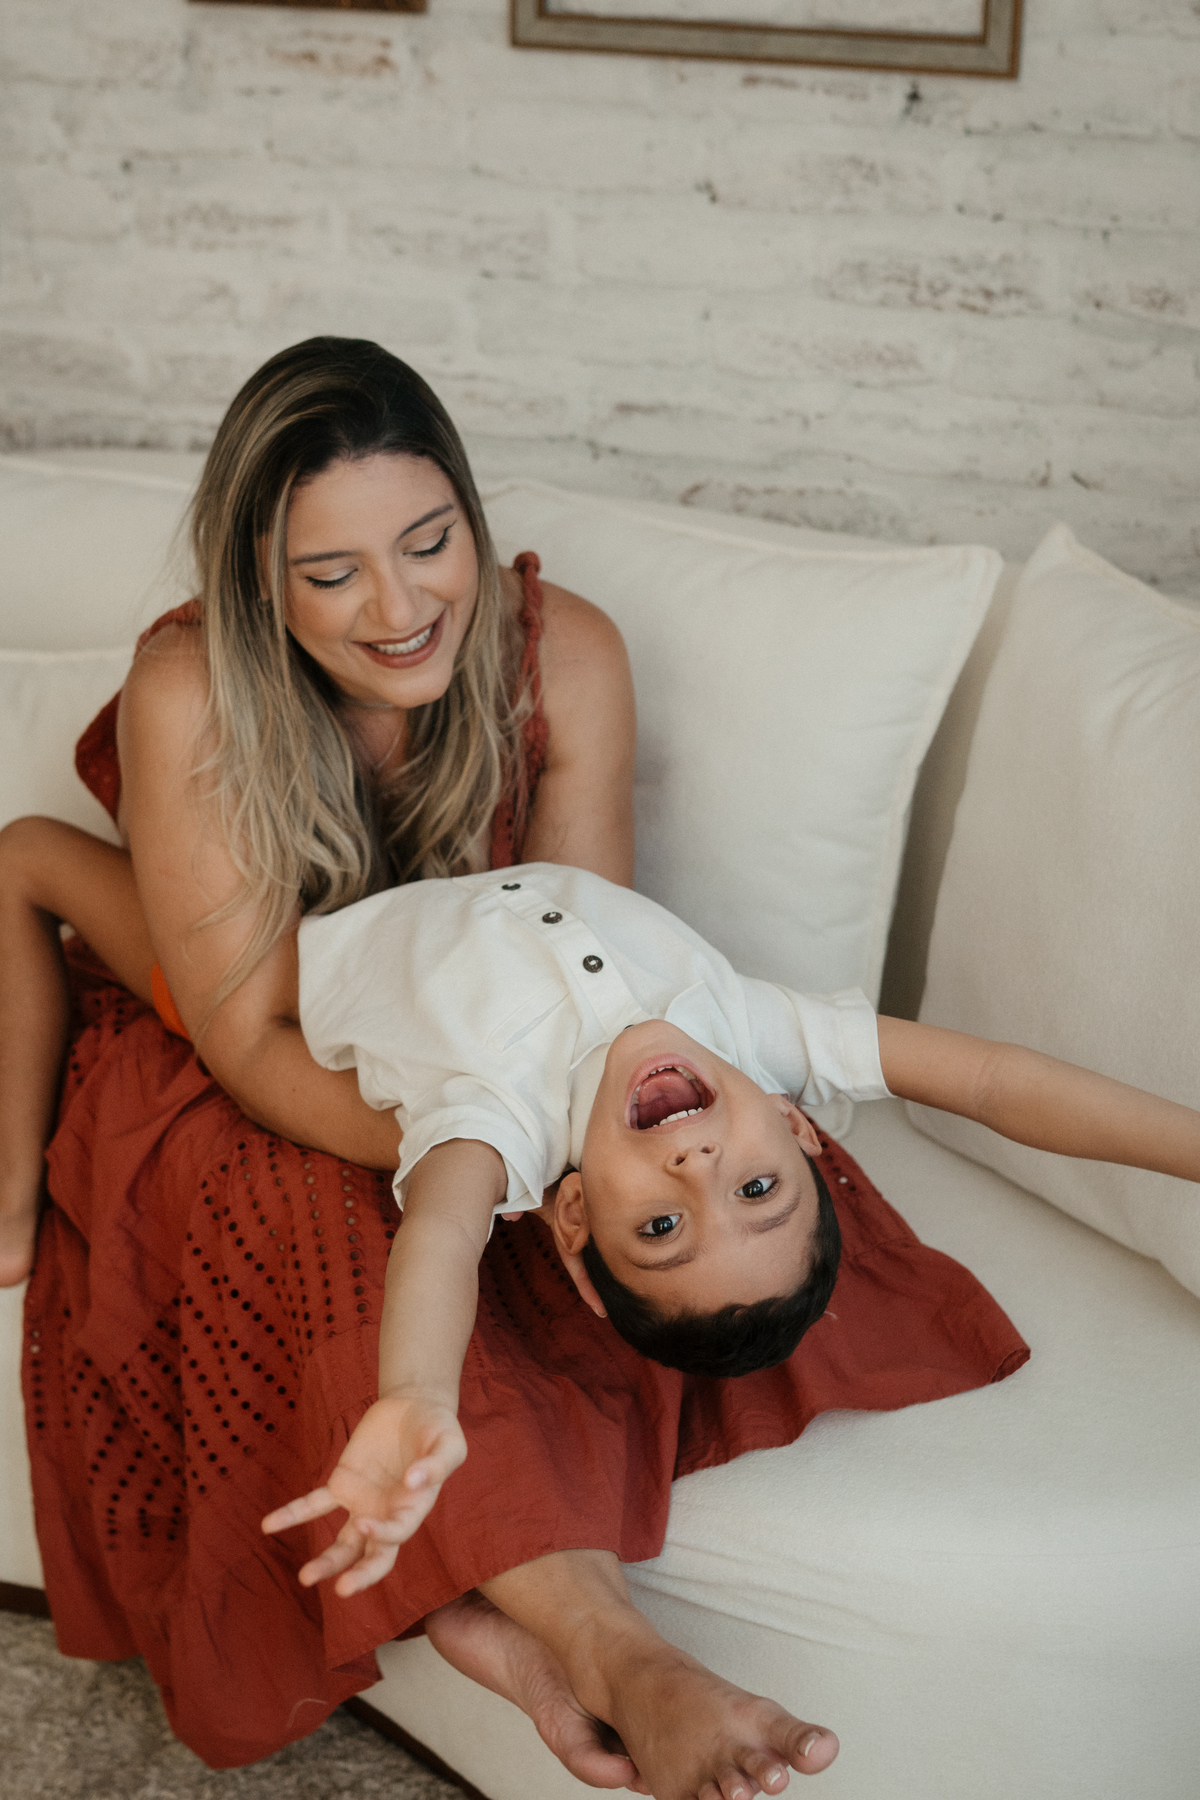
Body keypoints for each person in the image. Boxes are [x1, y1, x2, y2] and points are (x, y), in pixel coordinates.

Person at [8, 337, 1027, 1787]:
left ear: (472, 518)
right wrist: (464, 1146)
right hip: (236, 1036)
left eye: (430, 544)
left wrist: (524, 1139)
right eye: (333, 573)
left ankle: (493, 1617)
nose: (400, 606)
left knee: (628, 1248)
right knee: (331, 1212)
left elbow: (581, 963)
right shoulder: (196, 689)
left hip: (484, 1053)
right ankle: (616, 1658)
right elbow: (246, 1035)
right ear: (259, 583)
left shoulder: (568, 656)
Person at [259, 859, 1200, 1596]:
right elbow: (993, 1082)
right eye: (757, 1188)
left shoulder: (496, 1123)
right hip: (470, 843)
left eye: (662, 1226)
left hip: (299, 919)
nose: (699, 1168)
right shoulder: (754, 1038)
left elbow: (444, 1238)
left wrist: (417, 1393)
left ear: (573, 1214)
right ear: (796, 1123)